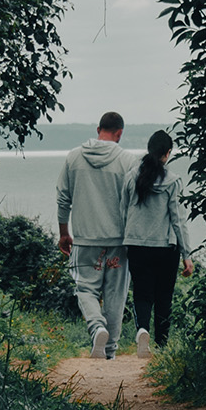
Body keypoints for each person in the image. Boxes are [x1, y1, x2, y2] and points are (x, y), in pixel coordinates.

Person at [56, 111, 134, 360]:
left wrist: (64, 233)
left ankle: (97, 327)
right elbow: (135, 203)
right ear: (119, 133)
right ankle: (109, 352)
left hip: (85, 240)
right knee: (115, 297)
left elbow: (63, 198)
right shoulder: (128, 161)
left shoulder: (74, 157)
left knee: (85, 290)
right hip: (119, 241)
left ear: (98, 129)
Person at [122, 129, 194, 357]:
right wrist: (187, 254)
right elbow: (178, 219)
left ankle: (142, 330)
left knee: (142, 294)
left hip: (136, 245)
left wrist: (123, 241)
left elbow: (123, 211)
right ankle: (162, 346)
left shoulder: (131, 176)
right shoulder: (173, 181)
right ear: (168, 153)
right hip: (165, 247)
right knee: (164, 296)